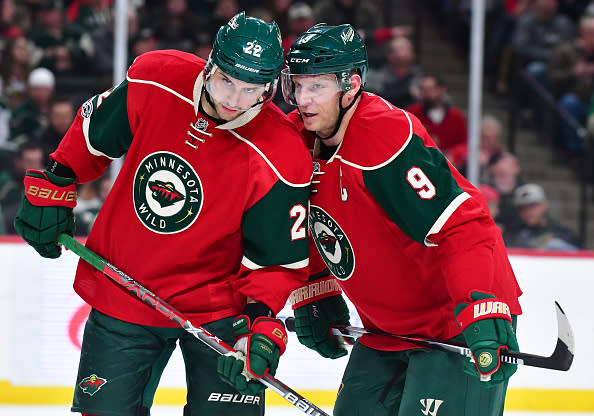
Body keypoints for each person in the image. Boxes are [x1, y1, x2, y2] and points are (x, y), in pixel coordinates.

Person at [13, 12, 312, 416]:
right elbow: (95, 134)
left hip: (219, 308)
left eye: (250, 89)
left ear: (272, 87)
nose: (233, 99)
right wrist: (58, 178)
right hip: (126, 286)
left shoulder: (282, 151)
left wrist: (259, 323)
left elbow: (276, 258)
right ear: (210, 64)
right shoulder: (157, 77)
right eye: (226, 80)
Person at [281, 23, 523, 415]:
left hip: (456, 322)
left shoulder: (384, 139)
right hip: (385, 328)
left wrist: (481, 303)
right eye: (297, 86)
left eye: (317, 87)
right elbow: (307, 222)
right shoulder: (295, 139)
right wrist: (315, 288)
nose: (303, 101)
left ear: (352, 85)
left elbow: (462, 225)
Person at [503, 183, 582, 250]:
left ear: (544, 205)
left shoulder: (561, 232)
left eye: (533, 206)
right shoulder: (511, 233)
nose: (528, 211)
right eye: (523, 208)